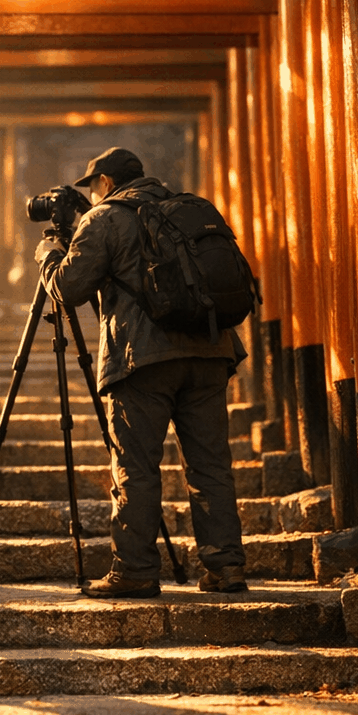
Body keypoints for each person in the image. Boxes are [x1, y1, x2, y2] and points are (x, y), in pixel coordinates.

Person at [34, 146, 248, 598]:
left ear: (106, 183)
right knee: (211, 466)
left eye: (92, 188)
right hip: (209, 353)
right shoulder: (188, 209)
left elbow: (71, 288)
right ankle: (225, 568)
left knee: (137, 467)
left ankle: (134, 570)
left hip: (142, 361)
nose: (91, 197)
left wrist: (50, 258)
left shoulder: (104, 218)